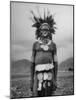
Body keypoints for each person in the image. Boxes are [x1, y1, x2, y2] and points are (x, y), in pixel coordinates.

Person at [30, 11, 58, 97]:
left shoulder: (53, 45)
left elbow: (56, 63)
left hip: (50, 74)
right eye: (43, 29)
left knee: (49, 94)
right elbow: (32, 63)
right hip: (37, 75)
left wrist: (55, 80)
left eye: (47, 29)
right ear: (40, 31)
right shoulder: (35, 44)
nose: (45, 31)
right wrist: (31, 80)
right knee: (37, 95)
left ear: (50, 31)